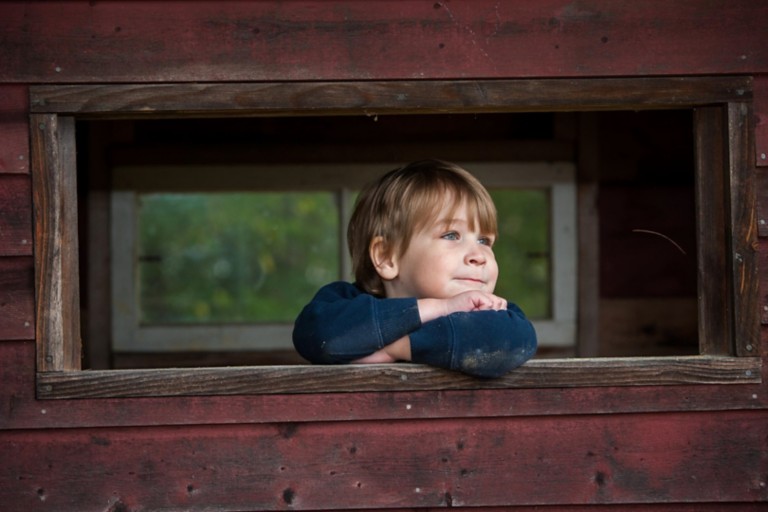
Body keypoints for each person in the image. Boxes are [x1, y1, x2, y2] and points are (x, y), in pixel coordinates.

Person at [292, 159, 537, 378]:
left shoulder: (490, 310)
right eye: (452, 235)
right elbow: (319, 334)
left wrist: (395, 350)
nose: (479, 256)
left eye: (485, 240)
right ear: (387, 257)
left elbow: (510, 341)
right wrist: (440, 308)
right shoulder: (344, 301)